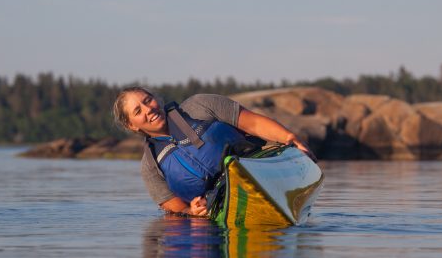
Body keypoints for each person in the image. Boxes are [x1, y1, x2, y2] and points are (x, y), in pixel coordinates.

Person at [113, 87, 315, 217]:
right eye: (138, 111)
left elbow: (252, 123)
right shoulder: (150, 166)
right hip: (219, 209)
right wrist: (190, 210)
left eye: (148, 100)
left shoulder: (201, 105)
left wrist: (292, 140)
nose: (148, 109)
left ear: (156, 98)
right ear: (132, 126)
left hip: (255, 171)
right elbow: (174, 207)